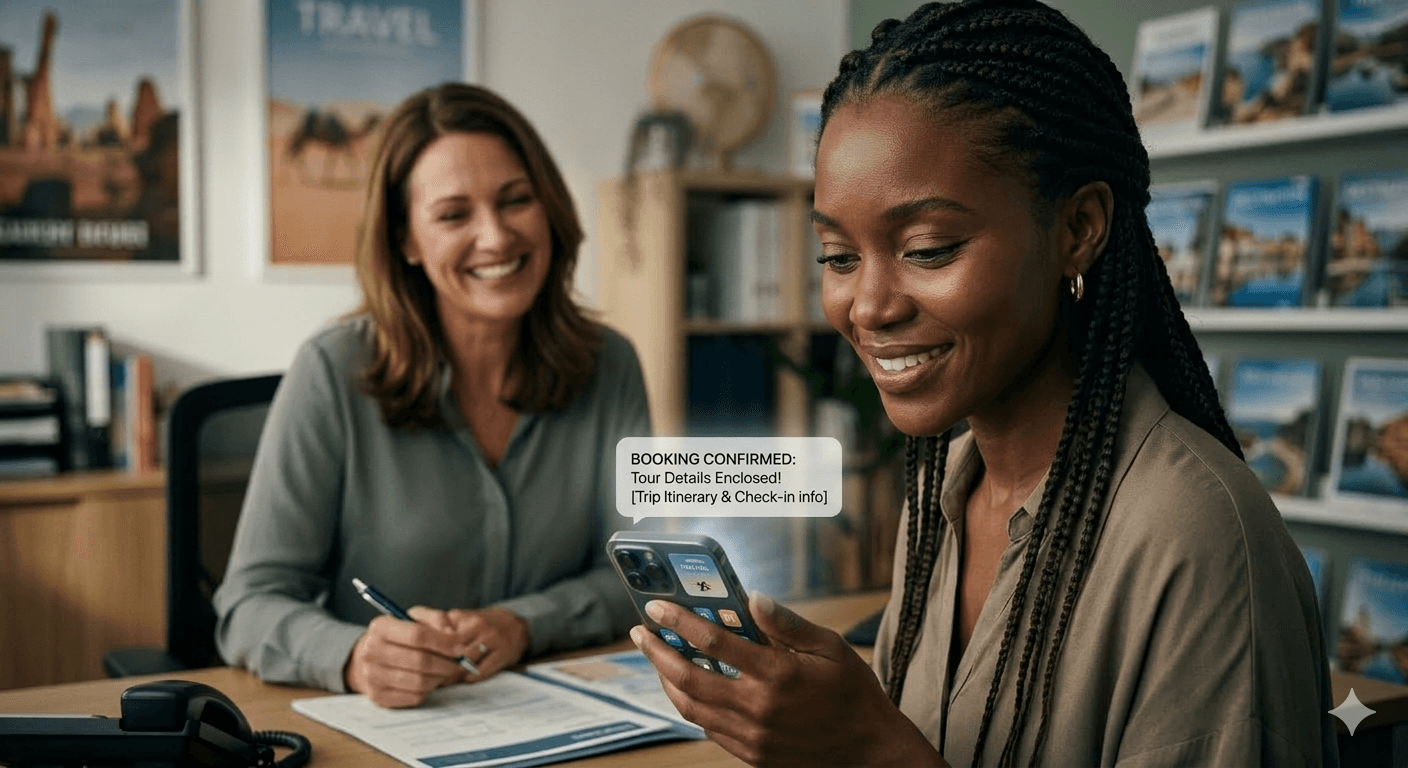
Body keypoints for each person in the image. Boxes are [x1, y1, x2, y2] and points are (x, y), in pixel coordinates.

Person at [630, 1, 1337, 765]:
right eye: (838, 256)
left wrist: (869, 751)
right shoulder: (946, 496)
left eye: (929, 248)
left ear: (1077, 230)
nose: (868, 306)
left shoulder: (1198, 542)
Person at [214, 83, 649, 708]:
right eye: (453, 215)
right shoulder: (331, 372)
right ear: (407, 242)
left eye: (516, 200)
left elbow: (640, 575)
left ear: (549, 208)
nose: (496, 237)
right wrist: (356, 657)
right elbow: (247, 606)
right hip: (392, 732)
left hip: (565, 718)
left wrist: (523, 622)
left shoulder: (612, 365)